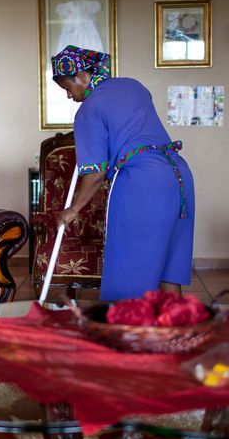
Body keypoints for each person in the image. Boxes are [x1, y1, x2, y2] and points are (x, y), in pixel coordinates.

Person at [51, 45, 195, 300]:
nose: (69, 96)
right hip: (179, 176)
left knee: (129, 274)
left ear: (82, 76)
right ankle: (174, 333)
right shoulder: (133, 86)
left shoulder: (89, 109)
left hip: (143, 182)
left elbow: (95, 172)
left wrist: (73, 210)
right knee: (168, 271)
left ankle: (126, 335)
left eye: (67, 87)